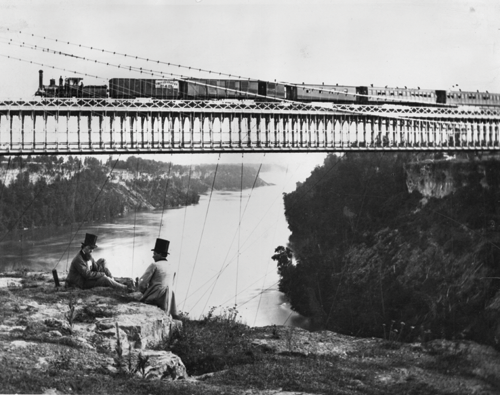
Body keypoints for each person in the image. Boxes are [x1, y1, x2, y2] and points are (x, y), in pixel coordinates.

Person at [138, 238, 178, 318]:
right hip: (169, 298)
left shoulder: (154, 265)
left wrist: (143, 291)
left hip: (156, 296)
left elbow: (142, 283)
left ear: (160, 254)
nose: (153, 256)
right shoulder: (172, 266)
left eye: (155, 253)